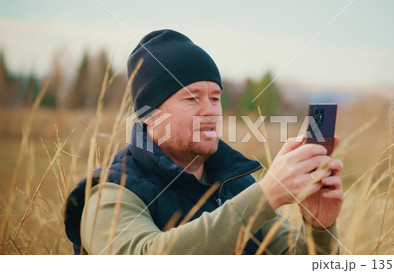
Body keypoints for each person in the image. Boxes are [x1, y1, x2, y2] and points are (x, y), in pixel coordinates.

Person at [64, 29, 344, 255]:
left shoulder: (236, 184)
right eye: (191, 98)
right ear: (149, 114)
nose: (210, 110)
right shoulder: (111, 193)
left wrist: (319, 227)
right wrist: (265, 197)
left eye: (215, 97)